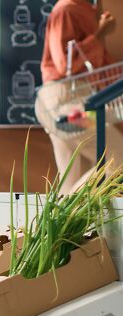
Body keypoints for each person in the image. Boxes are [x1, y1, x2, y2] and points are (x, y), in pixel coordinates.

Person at [36, 0, 123, 193]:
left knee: (71, 179)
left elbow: (99, 68)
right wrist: (99, 33)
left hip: (68, 101)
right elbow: (65, 65)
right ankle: (64, 212)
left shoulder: (86, 11)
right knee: (119, 158)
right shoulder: (67, 9)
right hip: (66, 102)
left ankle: (60, 216)